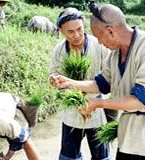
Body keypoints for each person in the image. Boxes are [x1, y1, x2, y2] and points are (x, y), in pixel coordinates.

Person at [50, 3, 145, 160]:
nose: (98, 42)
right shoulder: (115, 55)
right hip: (129, 134)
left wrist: (99, 104)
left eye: (98, 36)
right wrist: (69, 82)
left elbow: (143, 100)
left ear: (110, 31)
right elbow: (101, 84)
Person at [49, 7, 114, 160]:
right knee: (68, 156)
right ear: (61, 31)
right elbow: (53, 73)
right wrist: (53, 79)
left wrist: (91, 101)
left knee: (102, 156)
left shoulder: (99, 46)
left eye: (79, 29)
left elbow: (110, 78)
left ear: (84, 24)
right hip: (71, 111)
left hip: (96, 109)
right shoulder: (59, 50)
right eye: (70, 32)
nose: (77, 35)